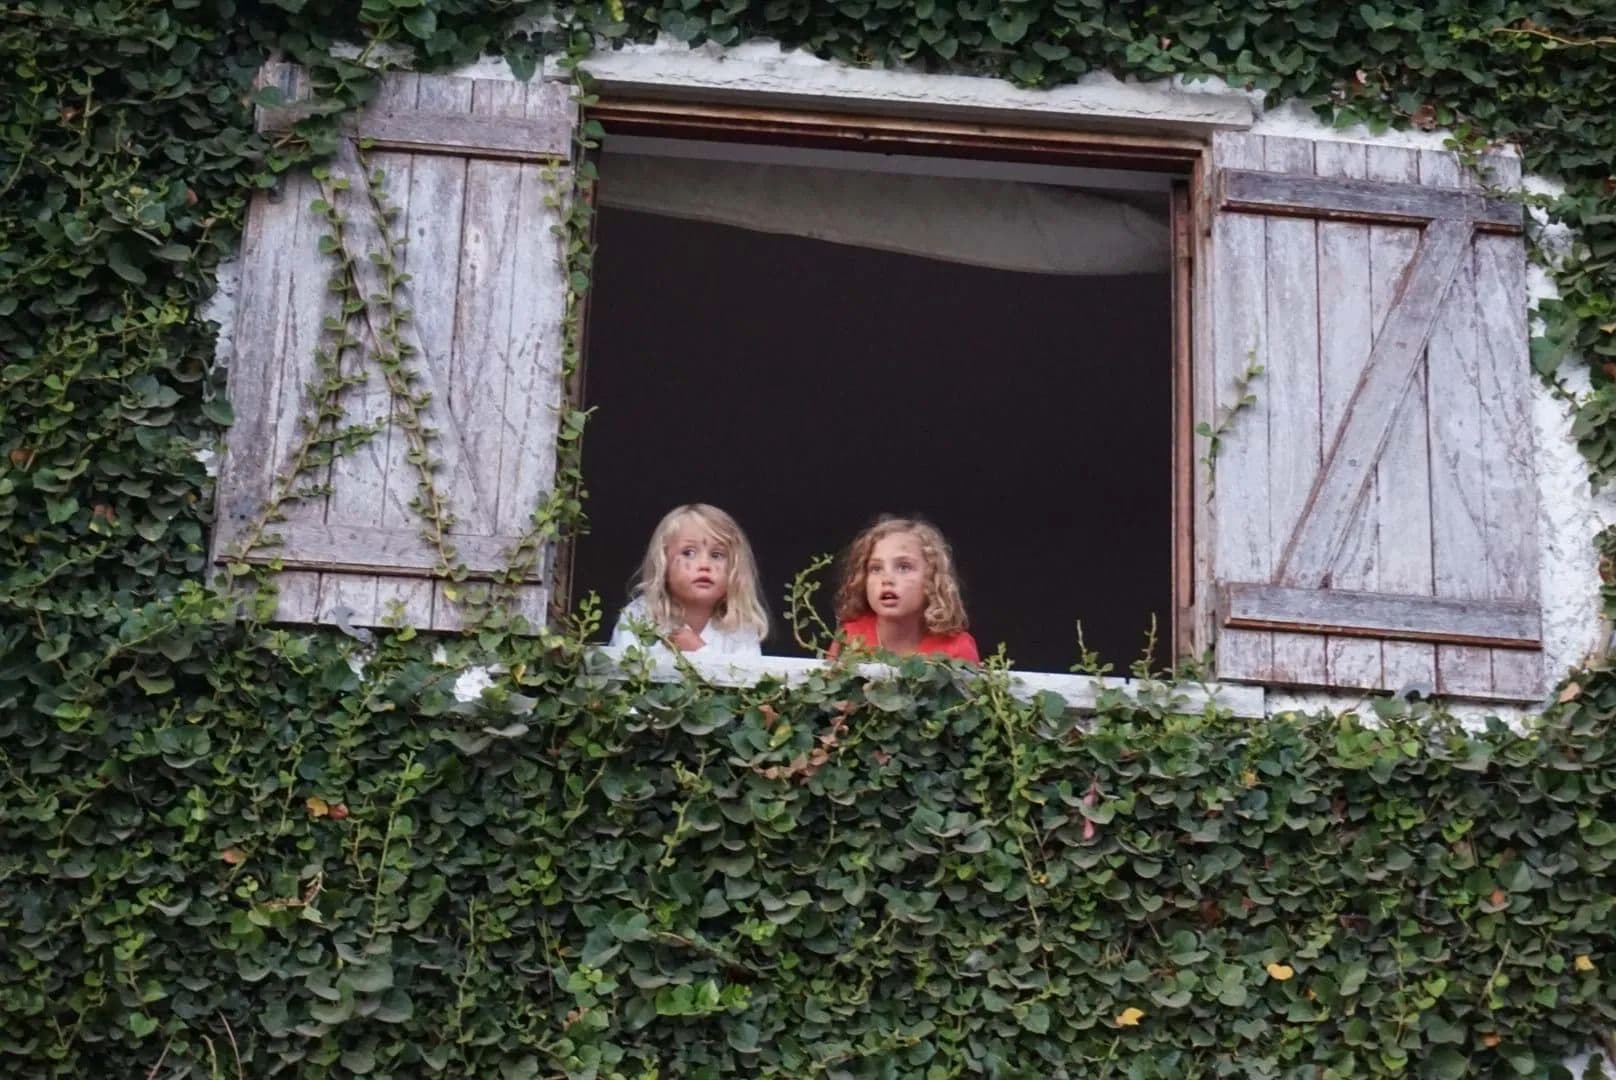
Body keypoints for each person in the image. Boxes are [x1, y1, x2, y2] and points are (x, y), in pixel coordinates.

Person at [609, 503, 768, 656]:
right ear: (663, 563)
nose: (704, 565)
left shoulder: (741, 628)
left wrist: (699, 652)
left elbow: (747, 674)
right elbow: (623, 670)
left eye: (716, 555)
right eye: (688, 553)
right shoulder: (640, 616)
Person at [828, 516, 979, 662]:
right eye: (876, 568)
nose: (887, 579)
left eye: (904, 567)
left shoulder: (957, 648)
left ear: (932, 579)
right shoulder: (849, 637)